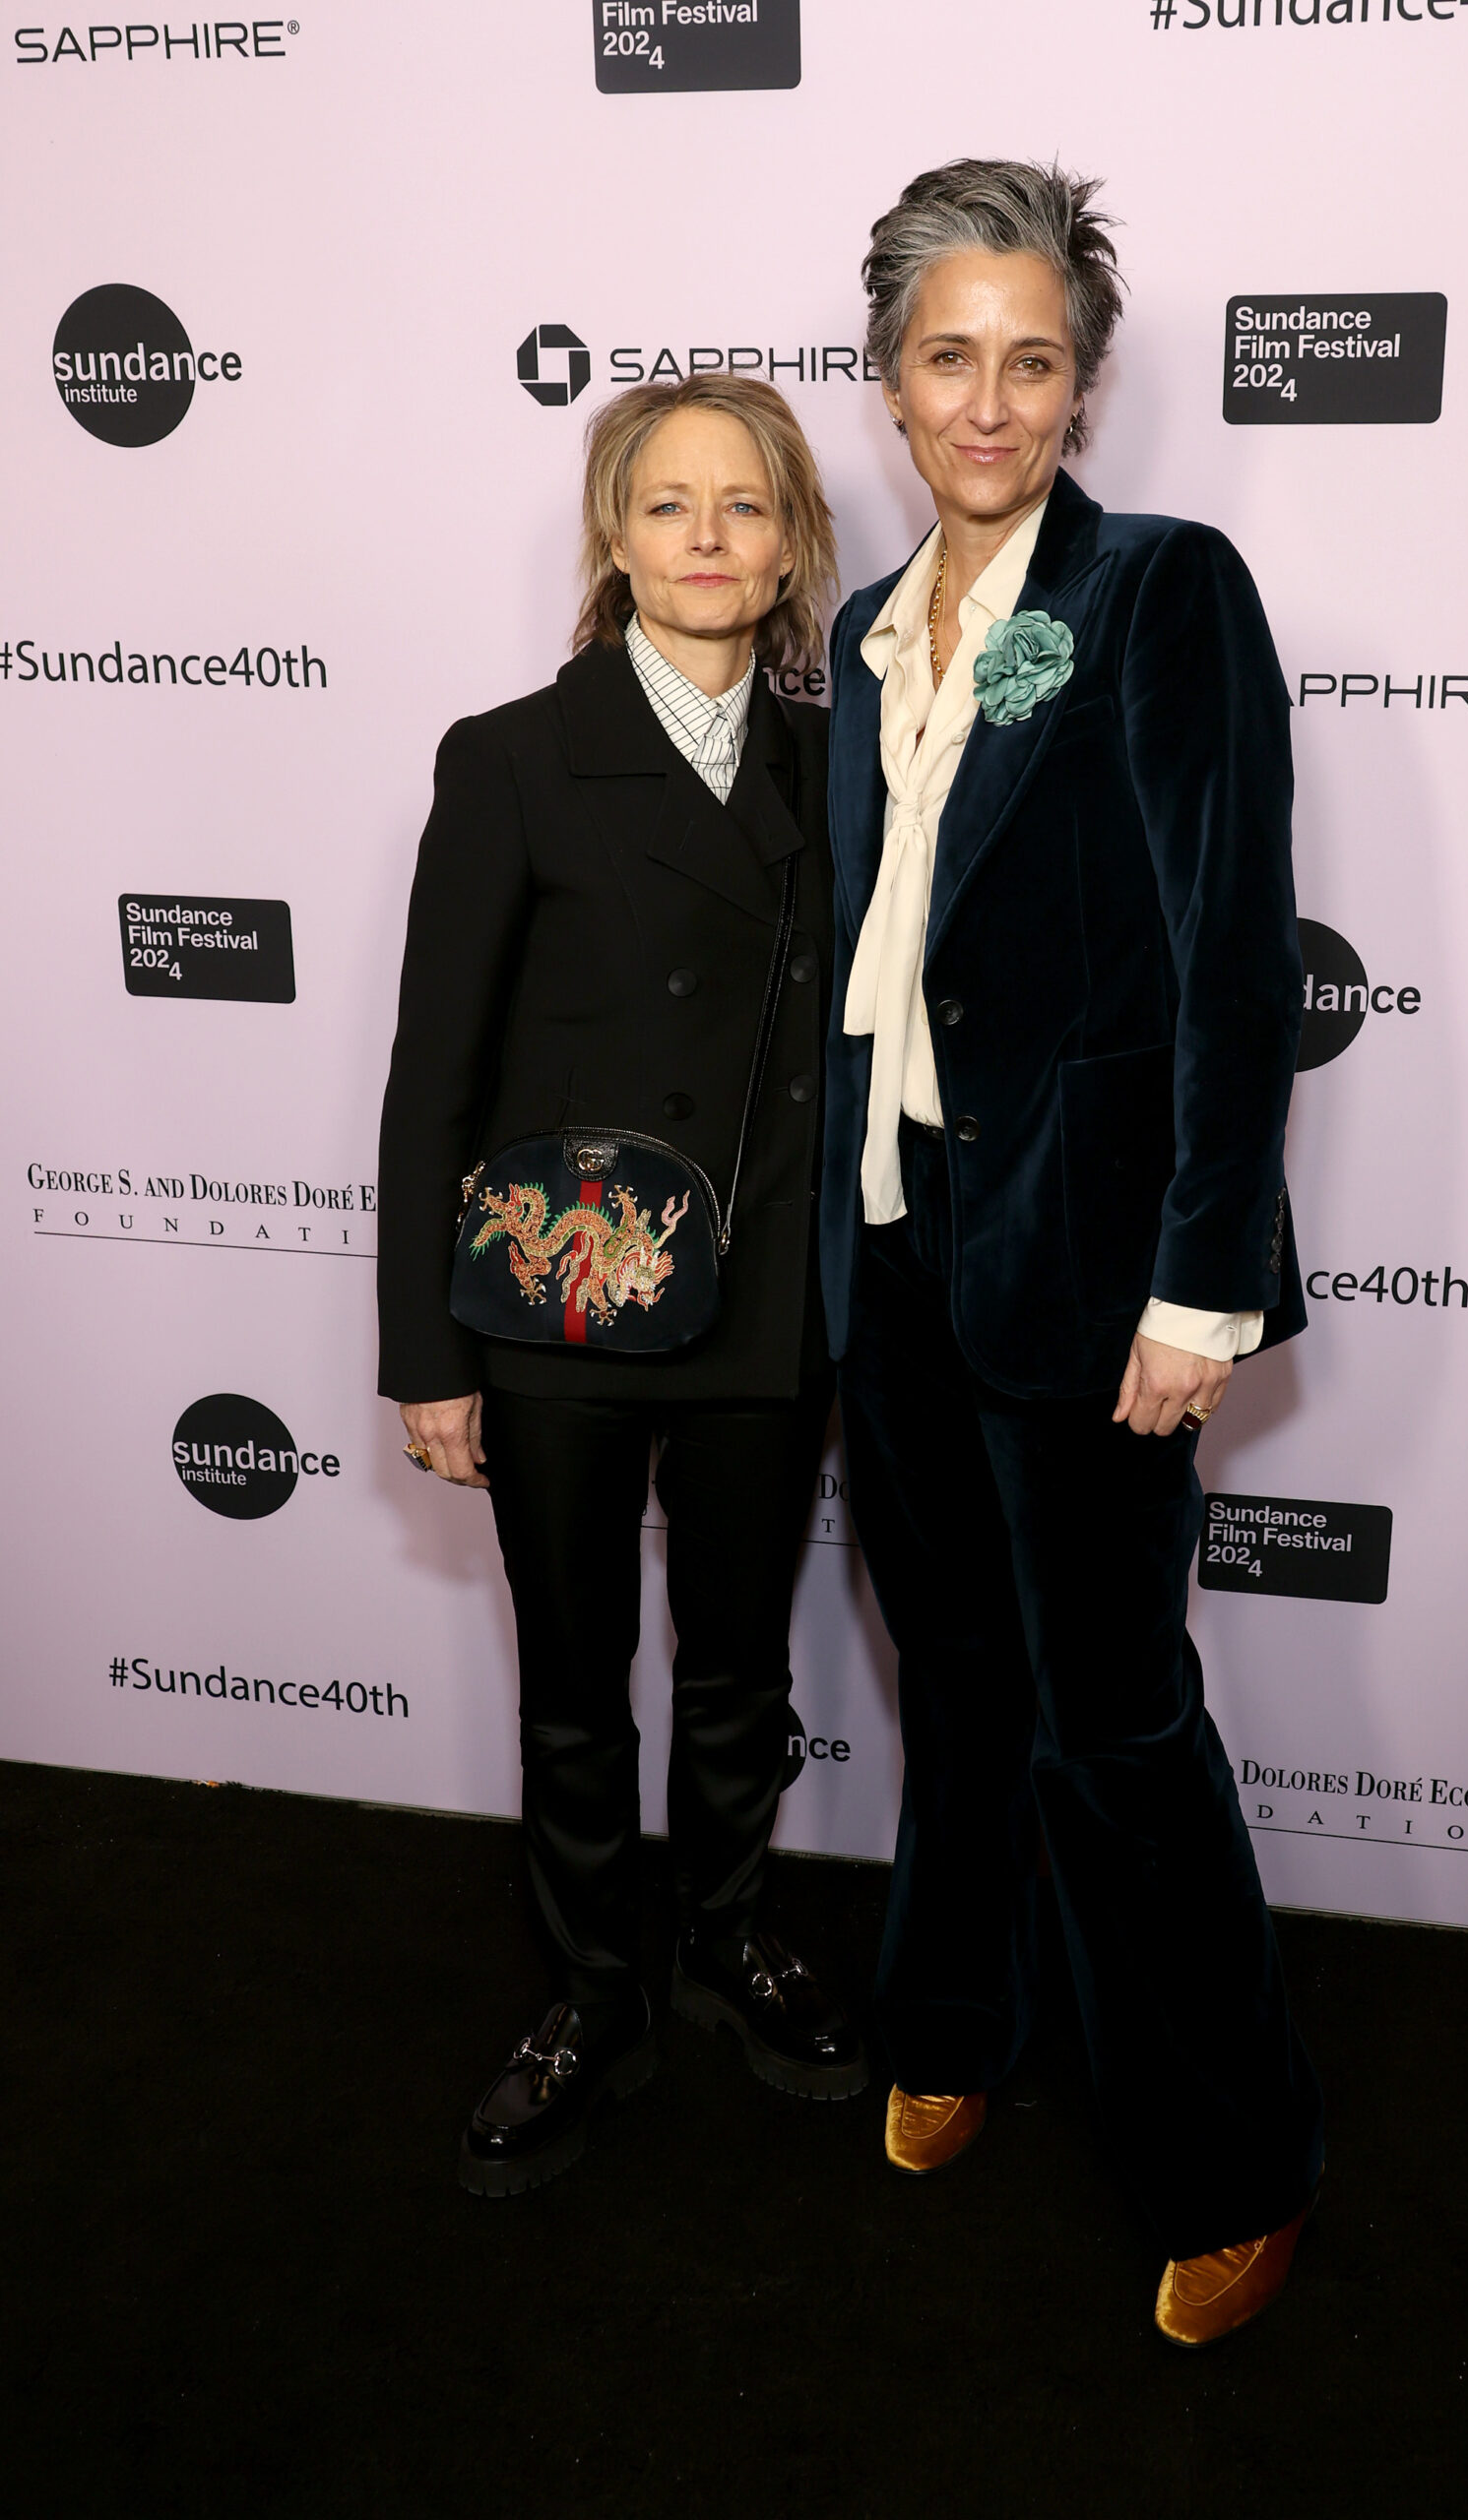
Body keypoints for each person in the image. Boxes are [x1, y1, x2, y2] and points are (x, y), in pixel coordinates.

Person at [823, 160, 1324, 2344]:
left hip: (1091, 1265)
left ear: (1087, 384)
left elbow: (1226, 960)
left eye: (1034, 360)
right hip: (897, 1248)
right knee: (957, 1679)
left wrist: (1198, 1282)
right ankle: (954, 2013)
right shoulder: (857, 634)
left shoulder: (1151, 593)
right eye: (951, 356)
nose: (990, 400)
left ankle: (1234, 2158)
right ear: (886, 381)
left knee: (1111, 1722)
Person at [378, 374, 865, 2201]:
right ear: (613, 533)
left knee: (739, 1668)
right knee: (577, 1685)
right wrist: (428, 1347)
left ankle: (728, 1936)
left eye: (746, 506)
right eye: (669, 505)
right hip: (561, 1298)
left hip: (760, 1296)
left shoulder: (850, 763)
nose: (710, 538)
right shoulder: (507, 757)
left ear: (796, 538)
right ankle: (592, 1994)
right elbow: (435, 1068)